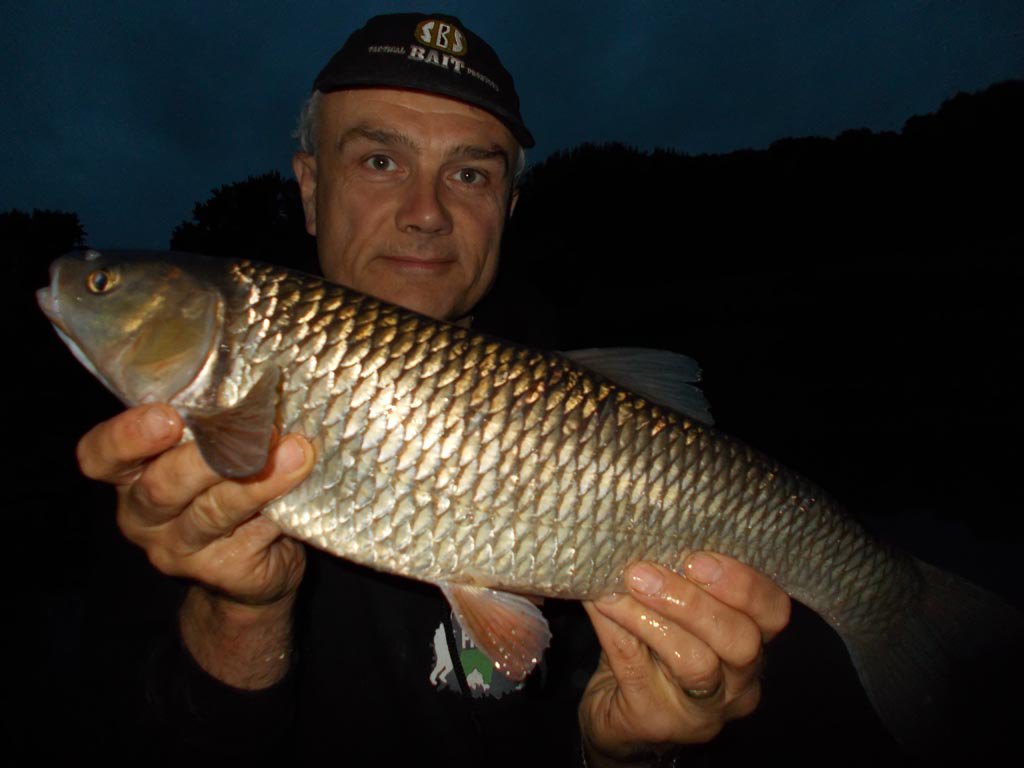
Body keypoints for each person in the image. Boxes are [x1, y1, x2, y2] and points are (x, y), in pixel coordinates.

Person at [75, 13, 790, 766]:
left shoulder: (583, 387)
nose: (425, 212)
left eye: (470, 173)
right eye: (380, 161)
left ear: (507, 210)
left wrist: (620, 752)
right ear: (311, 189)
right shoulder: (154, 470)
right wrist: (239, 614)